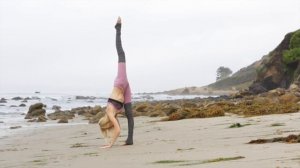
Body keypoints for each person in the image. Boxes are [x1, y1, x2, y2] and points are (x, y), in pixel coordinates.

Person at [98, 17, 134, 148]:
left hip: (120, 83)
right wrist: (109, 143)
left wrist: (110, 145)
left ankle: (118, 29)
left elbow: (117, 130)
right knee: (129, 114)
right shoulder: (113, 115)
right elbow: (117, 130)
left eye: (108, 125)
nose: (111, 125)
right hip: (125, 90)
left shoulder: (109, 112)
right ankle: (130, 139)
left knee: (121, 54)